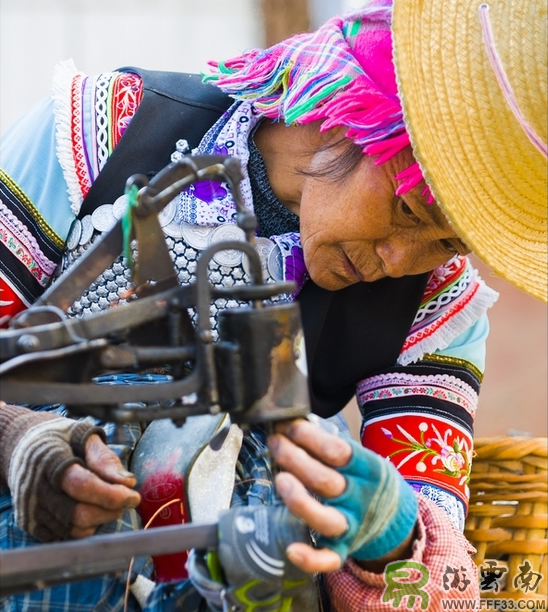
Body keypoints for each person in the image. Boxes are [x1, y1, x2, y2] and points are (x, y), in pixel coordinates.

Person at [0, 0, 545, 610]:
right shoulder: (98, 136)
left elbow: (444, 588)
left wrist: (391, 539)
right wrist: (18, 439)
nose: (398, 259)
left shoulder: (437, 307)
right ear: (350, 118)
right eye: (409, 211)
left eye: (444, 241)